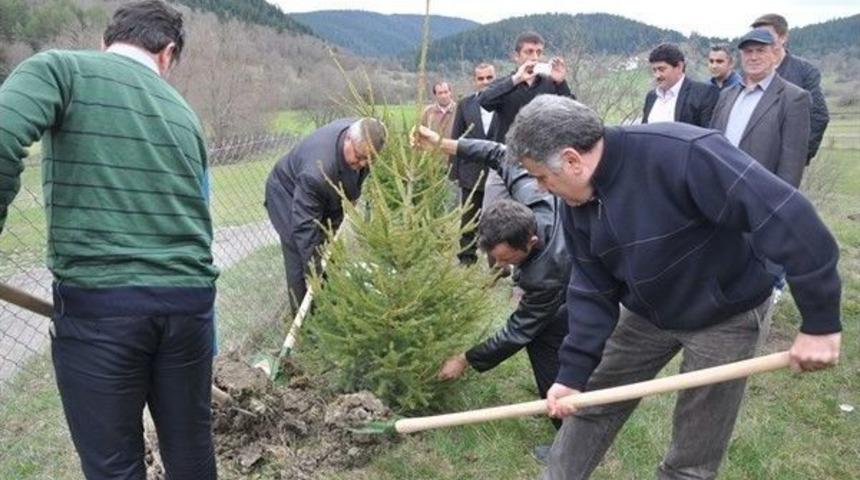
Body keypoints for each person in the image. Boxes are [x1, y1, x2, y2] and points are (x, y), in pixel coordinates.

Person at [503, 95, 841, 480]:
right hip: (646, 313)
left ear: (572, 161)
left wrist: (820, 324)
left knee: (694, 450)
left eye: (541, 177)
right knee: (589, 404)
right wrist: (571, 375)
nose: (541, 189)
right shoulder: (576, 204)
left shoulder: (685, 153)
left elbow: (789, 218)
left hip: (726, 314)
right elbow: (591, 289)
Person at [0, 1, 220, 478]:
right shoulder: (185, 115)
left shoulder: (61, 69)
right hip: (190, 307)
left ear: (105, 41)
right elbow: (199, 217)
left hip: (104, 306)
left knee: (115, 468)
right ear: (167, 54)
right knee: (192, 455)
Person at [413, 126, 569, 430]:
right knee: (544, 337)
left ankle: (567, 427)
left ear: (530, 241)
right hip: (563, 277)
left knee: (547, 336)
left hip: (587, 281)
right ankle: (556, 398)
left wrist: (466, 358)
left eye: (507, 259)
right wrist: (444, 144)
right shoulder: (533, 196)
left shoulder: (546, 274)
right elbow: (500, 153)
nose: (500, 265)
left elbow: (518, 331)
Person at [264, 118, 387, 310]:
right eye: (360, 157)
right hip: (286, 194)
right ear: (348, 139)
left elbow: (352, 182)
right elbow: (305, 229)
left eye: (369, 160)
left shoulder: (363, 138)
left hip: (320, 192)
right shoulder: (316, 173)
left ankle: (331, 301)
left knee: (327, 246)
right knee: (299, 255)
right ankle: (305, 317)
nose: (363, 164)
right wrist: (316, 272)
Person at [710, 29, 811, 188]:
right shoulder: (726, 95)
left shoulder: (794, 98)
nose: (754, 57)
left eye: (761, 51)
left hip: (759, 194)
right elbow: (712, 144)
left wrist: (779, 201)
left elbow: (791, 165)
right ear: (741, 57)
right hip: (719, 188)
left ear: (775, 55)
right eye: (748, 52)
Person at [752, 13, 830, 161]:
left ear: (783, 38)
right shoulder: (749, 72)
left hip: (785, 158)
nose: (761, 40)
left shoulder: (804, 71)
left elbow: (819, 116)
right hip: (750, 156)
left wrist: (800, 156)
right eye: (757, 36)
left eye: (767, 35)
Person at [479, 31, 575, 144]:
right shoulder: (506, 84)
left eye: (539, 52)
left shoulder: (551, 84)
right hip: (510, 151)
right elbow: (484, 101)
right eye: (529, 52)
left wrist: (561, 82)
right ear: (516, 56)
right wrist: (516, 80)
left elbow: (572, 114)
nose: (535, 57)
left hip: (542, 150)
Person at [449, 62, 499, 265]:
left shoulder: (505, 102)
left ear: (495, 78)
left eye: (489, 77)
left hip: (499, 173)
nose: (485, 82)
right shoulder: (465, 105)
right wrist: (453, 171)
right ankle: (467, 258)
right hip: (471, 172)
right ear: (475, 81)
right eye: (481, 78)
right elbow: (456, 138)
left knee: (499, 219)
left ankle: (498, 262)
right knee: (469, 218)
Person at [642, 43, 719, 127]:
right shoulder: (651, 97)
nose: (657, 75)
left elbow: (707, 132)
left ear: (679, 67)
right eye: (654, 70)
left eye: (661, 69)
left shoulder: (703, 94)